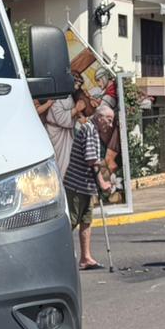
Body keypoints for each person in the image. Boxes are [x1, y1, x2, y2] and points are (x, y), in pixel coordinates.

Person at [64, 108, 111, 270]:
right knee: (70, 222)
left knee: (86, 221)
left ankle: (85, 257)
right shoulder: (90, 130)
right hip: (77, 185)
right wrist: (102, 184)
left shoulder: (92, 130)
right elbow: (92, 161)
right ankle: (56, 258)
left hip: (86, 186)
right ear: (99, 117)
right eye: (109, 120)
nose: (110, 124)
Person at [37, 88, 87, 180]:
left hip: (65, 134)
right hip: (55, 133)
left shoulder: (69, 96)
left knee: (66, 161)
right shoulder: (57, 97)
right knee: (55, 161)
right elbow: (60, 118)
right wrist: (76, 109)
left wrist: (79, 116)